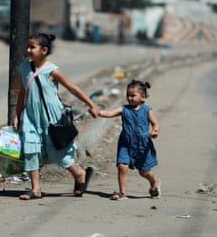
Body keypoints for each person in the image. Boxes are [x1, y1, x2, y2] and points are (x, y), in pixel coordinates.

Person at [13, 33, 99, 200]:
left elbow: (73, 89)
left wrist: (92, 105)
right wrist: (17, 115)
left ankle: (80, 174)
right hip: (31, 117)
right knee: (30, 150)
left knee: (58, 153)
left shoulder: (53, 70)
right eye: (28, 46)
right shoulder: (24, 68)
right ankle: (35, 189)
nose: (28, 50)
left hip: (51, 117)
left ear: (44, 50)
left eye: (32, 47)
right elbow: (22, 92)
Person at [97, 79, 161, 200]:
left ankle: (154, 182)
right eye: (128, 95)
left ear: (142, 97)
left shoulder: (147, 110)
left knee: (144, 172)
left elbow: (155, 123)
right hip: (126, 144)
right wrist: (98, 112)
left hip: (143, 145)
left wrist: (155, 131)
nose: (129, 98)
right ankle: (122, 193)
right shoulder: (124, 109)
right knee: (122, 166)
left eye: (133, 95)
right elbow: (110, 113)